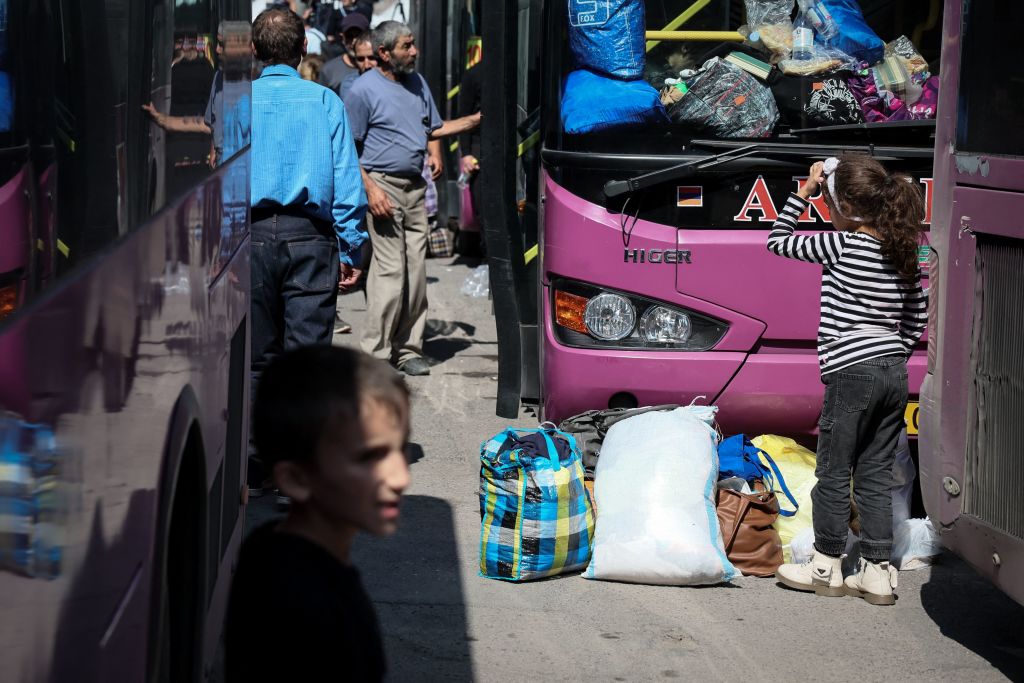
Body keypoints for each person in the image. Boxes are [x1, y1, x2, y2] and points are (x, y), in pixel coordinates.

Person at [768, 155, 927, 606]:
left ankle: (826, 563)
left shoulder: (840, 245)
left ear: (844, 207)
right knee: (877, 471)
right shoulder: (903, 249)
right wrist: (894, 351)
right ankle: (878, 572)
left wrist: (801, 195)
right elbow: (918, 313)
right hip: (893, 371)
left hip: (851, 371)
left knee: (834, 471)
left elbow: (777, 241)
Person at [225, 345, 411, 682]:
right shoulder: (302, 605)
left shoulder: (269, 547)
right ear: (295, 479)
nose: (401, 477)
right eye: (369, 458)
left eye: (401, 450)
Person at [249, 8, 367, 491]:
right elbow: (345, 181)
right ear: (303, 50)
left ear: (254, 51)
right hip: (310, 239)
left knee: (258, 360)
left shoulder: (236, 101)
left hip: (248, 239)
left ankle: (258, 467)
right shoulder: (324, 102)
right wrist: (351, 247)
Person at [345, 21, 480, 376]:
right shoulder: (362, 91)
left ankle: (407, 349)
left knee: (416, 274)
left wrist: (473, 122)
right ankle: (373, 355)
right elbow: (347, 150)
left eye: (414, 44)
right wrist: (370, 189)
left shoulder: (417, 83)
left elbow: (431, 127)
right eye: (407, 46)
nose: (415, 51)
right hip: (383, 189)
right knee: (390, 275)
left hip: (414, 188)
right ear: (385, 53)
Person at [319, 11, 369, 96]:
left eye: (359, 36)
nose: (354, 41)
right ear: (342, 38)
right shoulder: (329, 70)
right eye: (349, 36)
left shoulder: (376, 67)